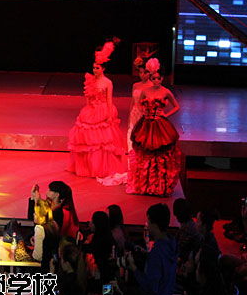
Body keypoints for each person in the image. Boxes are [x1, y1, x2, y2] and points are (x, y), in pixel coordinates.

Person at [67, 38, 125, 179]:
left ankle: (101, 168)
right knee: (88, 139)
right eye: (94, 68)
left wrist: (110, 115)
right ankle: (88, 167)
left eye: (97, 68)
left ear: (103, 68)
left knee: (102, 142)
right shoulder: (90, 80)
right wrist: (89, 105)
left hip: (103, 110)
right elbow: (88, 98)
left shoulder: (108, 82)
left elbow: (109, 100)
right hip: (91, 110)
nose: (95, 70)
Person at [126, 59, 181, 197]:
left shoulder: (166, 92)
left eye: (159, 78)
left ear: (162, 78)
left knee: (160, 154)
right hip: (146, 123)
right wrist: (144, 113)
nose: (156, 81)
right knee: (144, 153)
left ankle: (159, 185)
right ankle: (144, 184)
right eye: (154, 78)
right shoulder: (145, 91)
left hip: (160, 125)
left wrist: (165, 115)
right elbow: (138, 104)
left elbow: (176, 106)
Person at [127, 203, 177, 295]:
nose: (146, 224)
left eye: (148, 220)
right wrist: (147, 254)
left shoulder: (157, 253)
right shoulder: (170, 244)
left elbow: (150, 286)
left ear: (155, 225)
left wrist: (133, 268)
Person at [127, 54, 153, 153]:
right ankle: (131, 155)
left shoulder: (152, 86)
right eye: (140, 72)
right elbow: (132, 101)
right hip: (135, 113)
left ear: (150, 73)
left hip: (145, 114)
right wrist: (130, 115)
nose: (142, 75)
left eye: (145, 73)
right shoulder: (136, 85)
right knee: (132, 132)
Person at [31, 199, 60, 266]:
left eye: (35, 213)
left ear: (40, 215)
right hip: (53, 264)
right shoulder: (54, 224)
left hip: (43, 266)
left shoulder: (39, 229)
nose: (33, 214)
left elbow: (37, 257)